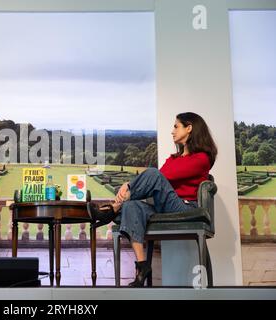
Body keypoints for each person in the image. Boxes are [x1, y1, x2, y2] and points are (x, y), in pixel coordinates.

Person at [90, 112, 217, 287]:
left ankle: (114, 208)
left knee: (153, 174)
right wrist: (131, 186)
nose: (172, 131)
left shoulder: (201, 158)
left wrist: (128, 184)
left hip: (185, 208)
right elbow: (161, 179)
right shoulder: (173, 158)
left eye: (176, 126)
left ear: (189, 128)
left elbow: (162, 176)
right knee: (132, 206)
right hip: (163, 206)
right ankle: (142, 267)